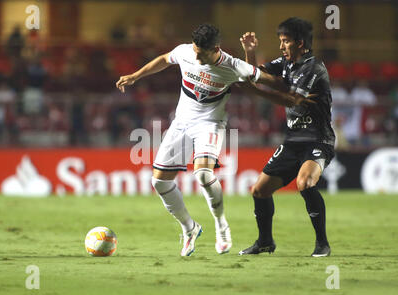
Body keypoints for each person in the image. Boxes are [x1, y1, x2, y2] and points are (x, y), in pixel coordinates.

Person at [116, 24, 265, 256]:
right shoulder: (186, 51)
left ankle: (221, 225)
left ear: (215, 48)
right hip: (181, 123)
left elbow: (252, 79)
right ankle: (190, 228)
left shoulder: (230, 65)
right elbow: (165, 59)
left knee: (204, 174)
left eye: (201, 52)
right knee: (159, 182)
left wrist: (250, 52)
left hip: (210, 123)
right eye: (194, 49)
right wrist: (136, 76)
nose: (195, 55)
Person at [238, 17, 336, 257]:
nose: (281, 46)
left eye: (285, 41)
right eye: (280, 41)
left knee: (305, 183)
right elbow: (253, 75)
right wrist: (250, 54)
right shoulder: (284, 63)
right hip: (292, 141)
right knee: (259, 190)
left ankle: (322, 243)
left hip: (318, 139)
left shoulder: (314, 68)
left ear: (300, 43)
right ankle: (264, 242)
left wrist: (255, 90)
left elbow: (292, 98)